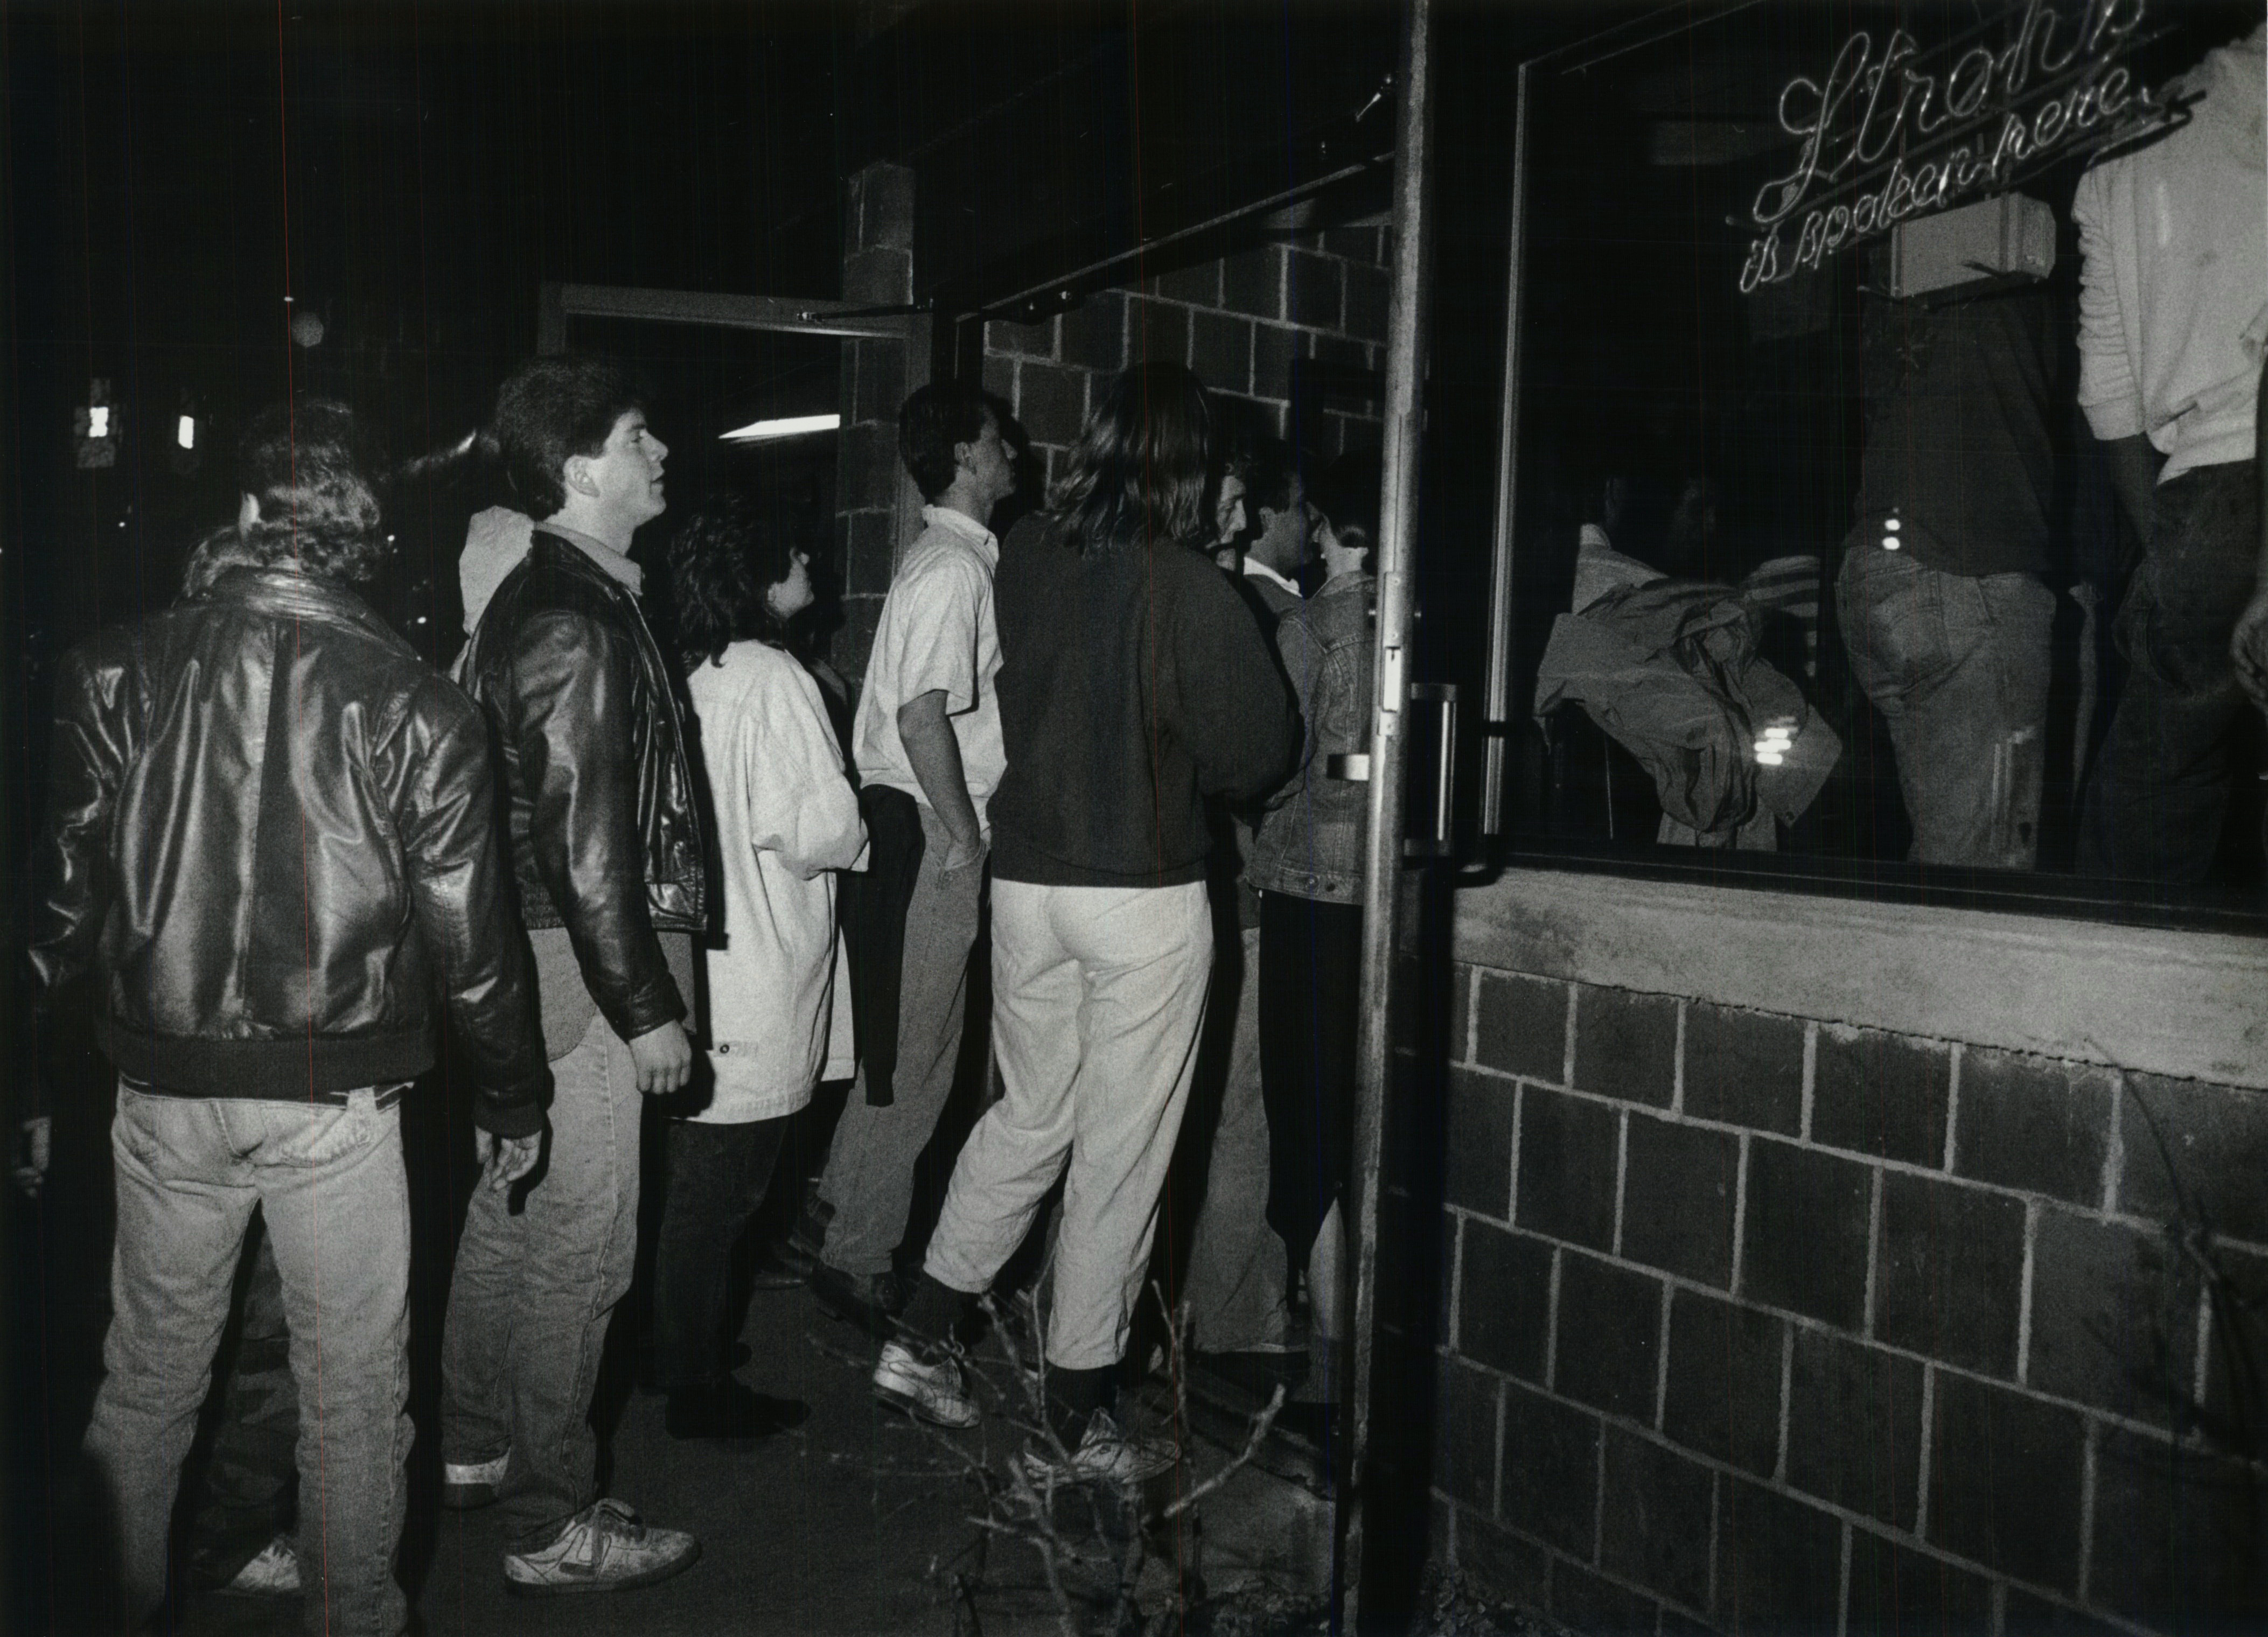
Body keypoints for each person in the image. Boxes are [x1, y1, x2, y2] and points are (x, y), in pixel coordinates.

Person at [25, 400, 549, 1635]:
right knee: (355, 1398)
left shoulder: (107, 670)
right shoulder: (422, 705)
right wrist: (515, 1096)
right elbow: (474, 943)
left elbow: (57, 906)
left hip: (161, 1088)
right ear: (365, 537)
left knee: (147, 1384)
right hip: (339, 1097)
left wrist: (29, 1086)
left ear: (252, 514)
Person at [876, 363, 1296, 1482]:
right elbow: (1260, 754)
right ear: (1191, 467)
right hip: (1143, 897)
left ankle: (917, 1336)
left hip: (1027, 886)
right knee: (1120, 1155)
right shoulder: (1195, 591)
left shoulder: (1026, 565)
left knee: (1027, 1116)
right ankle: (1075, 1418)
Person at [440, 356, 704, 1593]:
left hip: (542, 953)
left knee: (512, 1212)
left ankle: (478, 1446)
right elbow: (584, 837)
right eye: (641, 434)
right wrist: (646, 1007)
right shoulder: (571, 617)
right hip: (584, 961)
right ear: (585, 466)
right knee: (584, 1249)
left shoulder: (562, 597)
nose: (662, 454)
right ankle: (549, 1522)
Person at [807, 381, 1017, 1331]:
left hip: (910, 818)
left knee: (899, 1050)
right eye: (996, 439)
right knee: (919, 1063)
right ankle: (860, 1257)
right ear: (967, 459)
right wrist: (964, 833)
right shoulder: (953, 571)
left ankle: (840, 1222)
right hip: (929, 822)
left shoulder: (946, 561)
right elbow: (921, 713)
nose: (1011, 447)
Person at [653, 495, 862, 1440]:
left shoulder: (693, 668)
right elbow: (820, 826)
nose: (810, 560)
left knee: (696, 1180)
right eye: (795, 552)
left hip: (706, 965)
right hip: (759, 961)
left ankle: (677, 1344)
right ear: (760, 578)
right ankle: (695, 1384)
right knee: (723, 1195)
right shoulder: (777, 676)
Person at [2074, 22, 2266, 887]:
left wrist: (2173, 544)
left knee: (2151, 791)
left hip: (2195, 489)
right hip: (2238, 463)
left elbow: (2107, 391)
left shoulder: (2121, 142)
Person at [1834, 285, 2063, 869]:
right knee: (1981, 880)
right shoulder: (2001, 244)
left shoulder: (1897, 262)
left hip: (1877, 570)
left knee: (1946, 853)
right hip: (1963, 576)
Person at [1247, 452, 1379, 1425]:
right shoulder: (1410, 631)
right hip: (1379, 890)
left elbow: (1272, 763)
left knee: (1307, 1119)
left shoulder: (1307, 627)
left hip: (1302, 883)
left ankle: (1334, 1357)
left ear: (1327, 525)